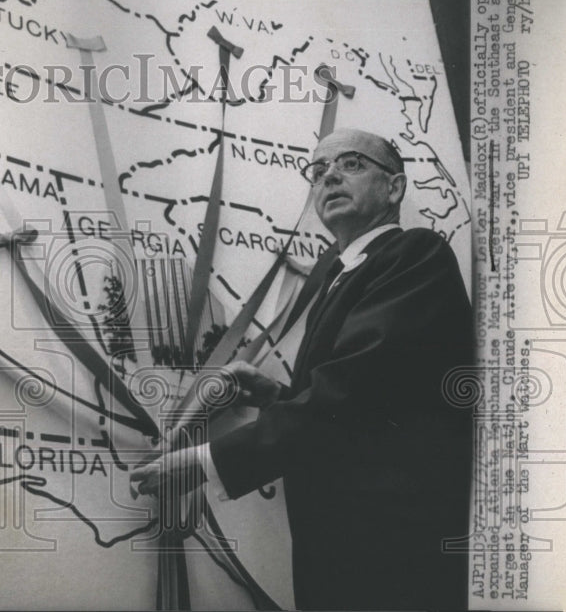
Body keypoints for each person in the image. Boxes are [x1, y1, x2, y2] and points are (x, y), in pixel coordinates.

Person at [131, 128, 474, 610]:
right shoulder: (343, 274)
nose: (329, 175)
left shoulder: (415, 254)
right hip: (341, 551)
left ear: (394, 188)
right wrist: (277, 396)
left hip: (390, 555)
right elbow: (365, 402)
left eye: (351, 163)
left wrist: (209, 461)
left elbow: (350, 395)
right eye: (318, 171)